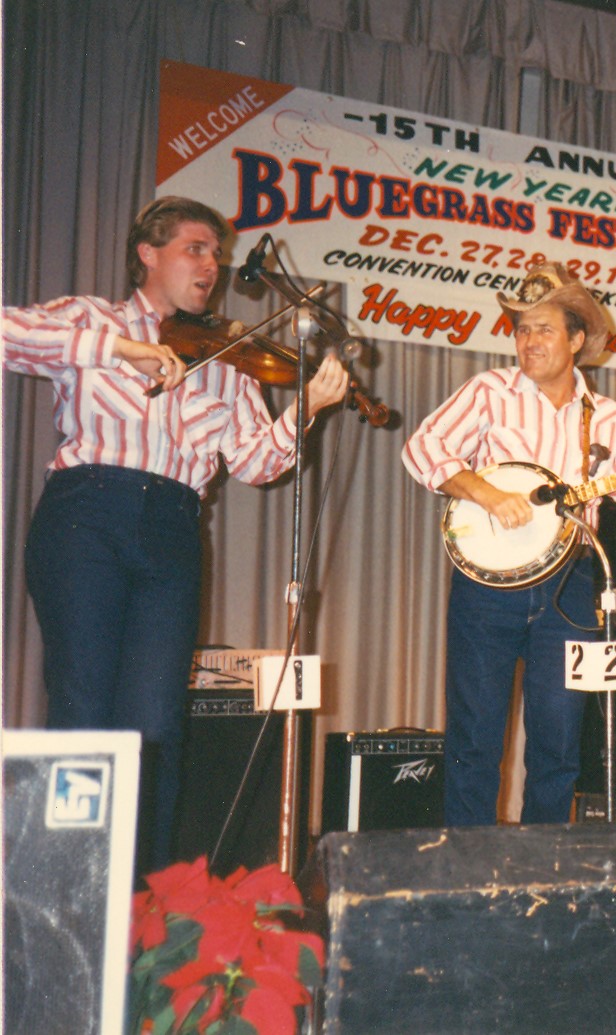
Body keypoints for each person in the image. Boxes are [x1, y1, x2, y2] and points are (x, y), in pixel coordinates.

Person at [3, 196, 351, 869]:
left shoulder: (224, 356)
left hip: (172, 528)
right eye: (196, 247)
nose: (212, 265)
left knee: (157, 724)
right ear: (148, 252)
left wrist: (305, 410)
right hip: (88, 513)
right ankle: (69, 890)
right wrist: (122, 348)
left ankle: (145, 895)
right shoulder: (93, 318)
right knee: (83, 706)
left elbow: (255, 462)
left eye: (217, 254)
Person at [403, 263, 616, 826]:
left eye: (543, 329)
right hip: (487, 586)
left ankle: (544, 876)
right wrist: (483, 492)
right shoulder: (489, 392)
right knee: (474, 739)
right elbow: (422, 448)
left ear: (577, 340)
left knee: (558, 747)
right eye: (521, 328)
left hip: (573, 586)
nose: (528, 341)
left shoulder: (606, 418)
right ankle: (470, 877)